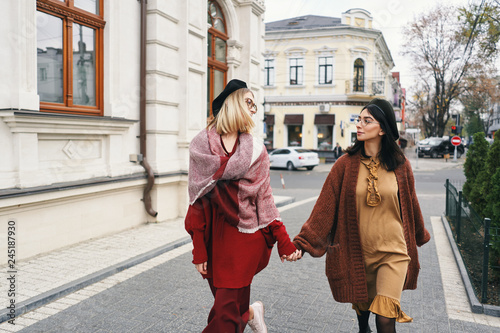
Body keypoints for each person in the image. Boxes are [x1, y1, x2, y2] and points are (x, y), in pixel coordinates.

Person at [293, 98, 431, 333]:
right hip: (358, 253)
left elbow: (410, 203)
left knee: (385, 319)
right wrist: (303, 244)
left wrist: (418, 233)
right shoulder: (344, 165)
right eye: (359, 119)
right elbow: (324, 208)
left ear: (382, 128)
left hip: (394, 253)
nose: (359, 124)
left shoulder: (400, 164)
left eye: (367, 120)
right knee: (364, 313)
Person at [185, 79, 301, 333]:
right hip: (214, 238)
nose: (252, 109)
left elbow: (264, 198)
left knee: (225, 318)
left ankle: (245, 312)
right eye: (248, 102)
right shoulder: (201, 146)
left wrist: (283, 239)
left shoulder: (256, 151)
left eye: (254, 105)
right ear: (232, 103)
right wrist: (198, 250)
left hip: (245, 238)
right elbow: (197, 201)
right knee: (227, 307)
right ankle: (249, 312)